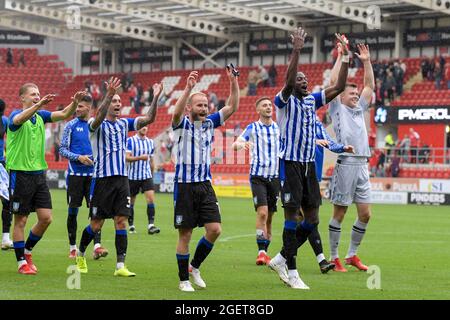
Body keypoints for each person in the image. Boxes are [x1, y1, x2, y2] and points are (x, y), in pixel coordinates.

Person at [267, 29, 349, 290]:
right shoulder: (284, 101)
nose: (303, 80)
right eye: (299, 78)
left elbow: (338, 87)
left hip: (308, 167)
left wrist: (345, 58)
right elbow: (289, 82)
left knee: (312, 219)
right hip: (289, 164)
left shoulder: (311, 102)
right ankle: (292, 272)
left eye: (305, 79)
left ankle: (280, 257)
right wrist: (297, 50)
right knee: (291, 217)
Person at [75, 77, 162, 277]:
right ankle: (80, 253)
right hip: (102, 180)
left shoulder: (125, 124)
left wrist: (156, 97)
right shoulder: (94, 124)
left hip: (122, 179)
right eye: (113, 101)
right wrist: (108, 95)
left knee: (121, 220)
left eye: (118, 102)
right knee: (96, 224)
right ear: (106, 103)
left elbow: (149, 119)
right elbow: (97, 118)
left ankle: (120, 265)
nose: (117, 104)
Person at [7, 83, 88, 275]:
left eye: (38, 94)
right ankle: (20, 263)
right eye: (33, 94)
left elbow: (64, 115)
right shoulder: (15, 115)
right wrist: (38, 106)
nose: (37, 96)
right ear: (22, 98)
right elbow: (19, 118)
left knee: (46, 218)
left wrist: (74, 103)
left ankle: (27, 251)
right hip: (20, 174)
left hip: (38, 174)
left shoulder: (40, 116)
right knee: (21, 220)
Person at [172, 68, 239, 292]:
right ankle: (183, 280)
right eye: (199, 105)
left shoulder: (210, 123)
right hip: (185, 186)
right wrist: (189, 88)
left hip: (205, 185)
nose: (204, 108)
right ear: (190, 108)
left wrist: (233, 82)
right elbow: (175, 114)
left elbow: (231, 107)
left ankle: (194, 267)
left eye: (205, 105)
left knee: (215, 229)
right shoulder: (181, 125)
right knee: (186, 234)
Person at [326, 43, 375, 272]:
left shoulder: (359, 109)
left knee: (365, 214)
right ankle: (334, 257)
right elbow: (334, 83)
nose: (356, 95)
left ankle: (351, 255)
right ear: (341, 96)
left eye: (356, 93)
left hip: (363, 164)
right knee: (340, 213)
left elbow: (369, 86)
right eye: (351, 93)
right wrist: (341, 56)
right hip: (345, 164)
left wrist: (366, 61)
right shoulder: (337, 109)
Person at [59, 94, 108, 260]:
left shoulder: (96, 125)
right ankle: (73, 247)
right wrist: (79, 157)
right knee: (73, 211)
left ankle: (97, 246)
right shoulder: (70, 126)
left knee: (96, 213)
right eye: (76, 106)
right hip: (75, 176)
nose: (76, 109)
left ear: (89, 108)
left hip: (94, 177)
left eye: (80, 106)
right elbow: (62, 150)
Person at [232, 97, 280, 266]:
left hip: (275, 177)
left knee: (270, 218)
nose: (268, 107)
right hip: (258, 177)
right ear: (258, 110)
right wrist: (238, 145)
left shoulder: (279, 128)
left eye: (269, 105)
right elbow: (237, 142)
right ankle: (261, 252)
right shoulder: (252, 128)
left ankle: (265, 251)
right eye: (264, 105)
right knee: (262, 213)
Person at [126, 85, 163, 235]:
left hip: (146, 175)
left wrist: (152, 171)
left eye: (147, 126)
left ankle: (151, 225)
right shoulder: (130, 141)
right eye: (143, 126)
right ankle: (131, 225)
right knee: (132, 202)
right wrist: (139, 158)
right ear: (139, 127)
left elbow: (152, 160)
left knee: (150, 199)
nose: (145, 128)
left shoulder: (150, 142)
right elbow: (127, 158)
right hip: (133, 176)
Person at [0, 99, 12, 250]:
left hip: (1, 164)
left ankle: (5, 238)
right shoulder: (4, 120)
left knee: (8, 201)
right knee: (7, 202)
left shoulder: (4, 120)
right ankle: (5, 238)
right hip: (1, 164)